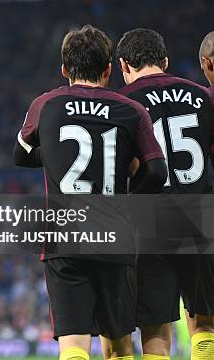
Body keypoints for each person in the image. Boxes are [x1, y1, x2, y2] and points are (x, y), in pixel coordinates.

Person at [13, 25, 167, 360]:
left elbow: (20, 154)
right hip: (115, 236)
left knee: (74, 347)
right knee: (120, 346)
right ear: (109, 69)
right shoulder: (131, 110)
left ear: (65, 69)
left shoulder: (46, 104)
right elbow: (157, 170)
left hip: (64, 240)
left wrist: (54, 155)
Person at [116, 28, 214, 360]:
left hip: (150, 223)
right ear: (166, 61)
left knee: (156, 328)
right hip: (202, 217)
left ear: (124, 65)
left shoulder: (122, 104)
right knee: (205, 324)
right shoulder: (204, 96)